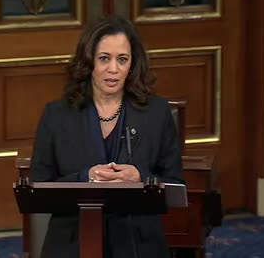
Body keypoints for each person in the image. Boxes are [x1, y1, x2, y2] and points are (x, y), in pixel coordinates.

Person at [30, 15, 184, 258]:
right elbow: (38, 189)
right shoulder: (57, 116)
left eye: (122, 59)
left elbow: (176, 185)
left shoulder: (156, 113)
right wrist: (86, 178)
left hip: (138, 243)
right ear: (89, 61)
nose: (113, 69)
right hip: (74, 241)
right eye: (104, 59)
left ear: (132, 64)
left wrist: (140, 178)